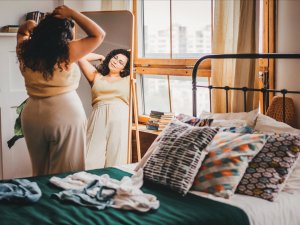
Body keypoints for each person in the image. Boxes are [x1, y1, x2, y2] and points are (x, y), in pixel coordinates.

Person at [16, 5, 106, 176]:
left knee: (39, 172)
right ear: (64, 34)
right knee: (67, 173)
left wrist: (31, 24)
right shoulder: (66, 52)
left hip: (33, 114)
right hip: (64, 112)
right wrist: (72, 13)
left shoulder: (26, 50)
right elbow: (98, 34)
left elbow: (22, 32)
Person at [78, 49, 131, 169]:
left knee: (117, 159)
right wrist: (101, 56)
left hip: (120, 117)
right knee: (89, 159)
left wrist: (128, 53)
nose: (116, 62)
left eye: (121, 62)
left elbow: (138, 55)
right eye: (115, 58)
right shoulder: (96, 76)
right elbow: (81, 56)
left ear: (124, 68)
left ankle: (113, 186)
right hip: (98, 115)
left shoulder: (128, 79)